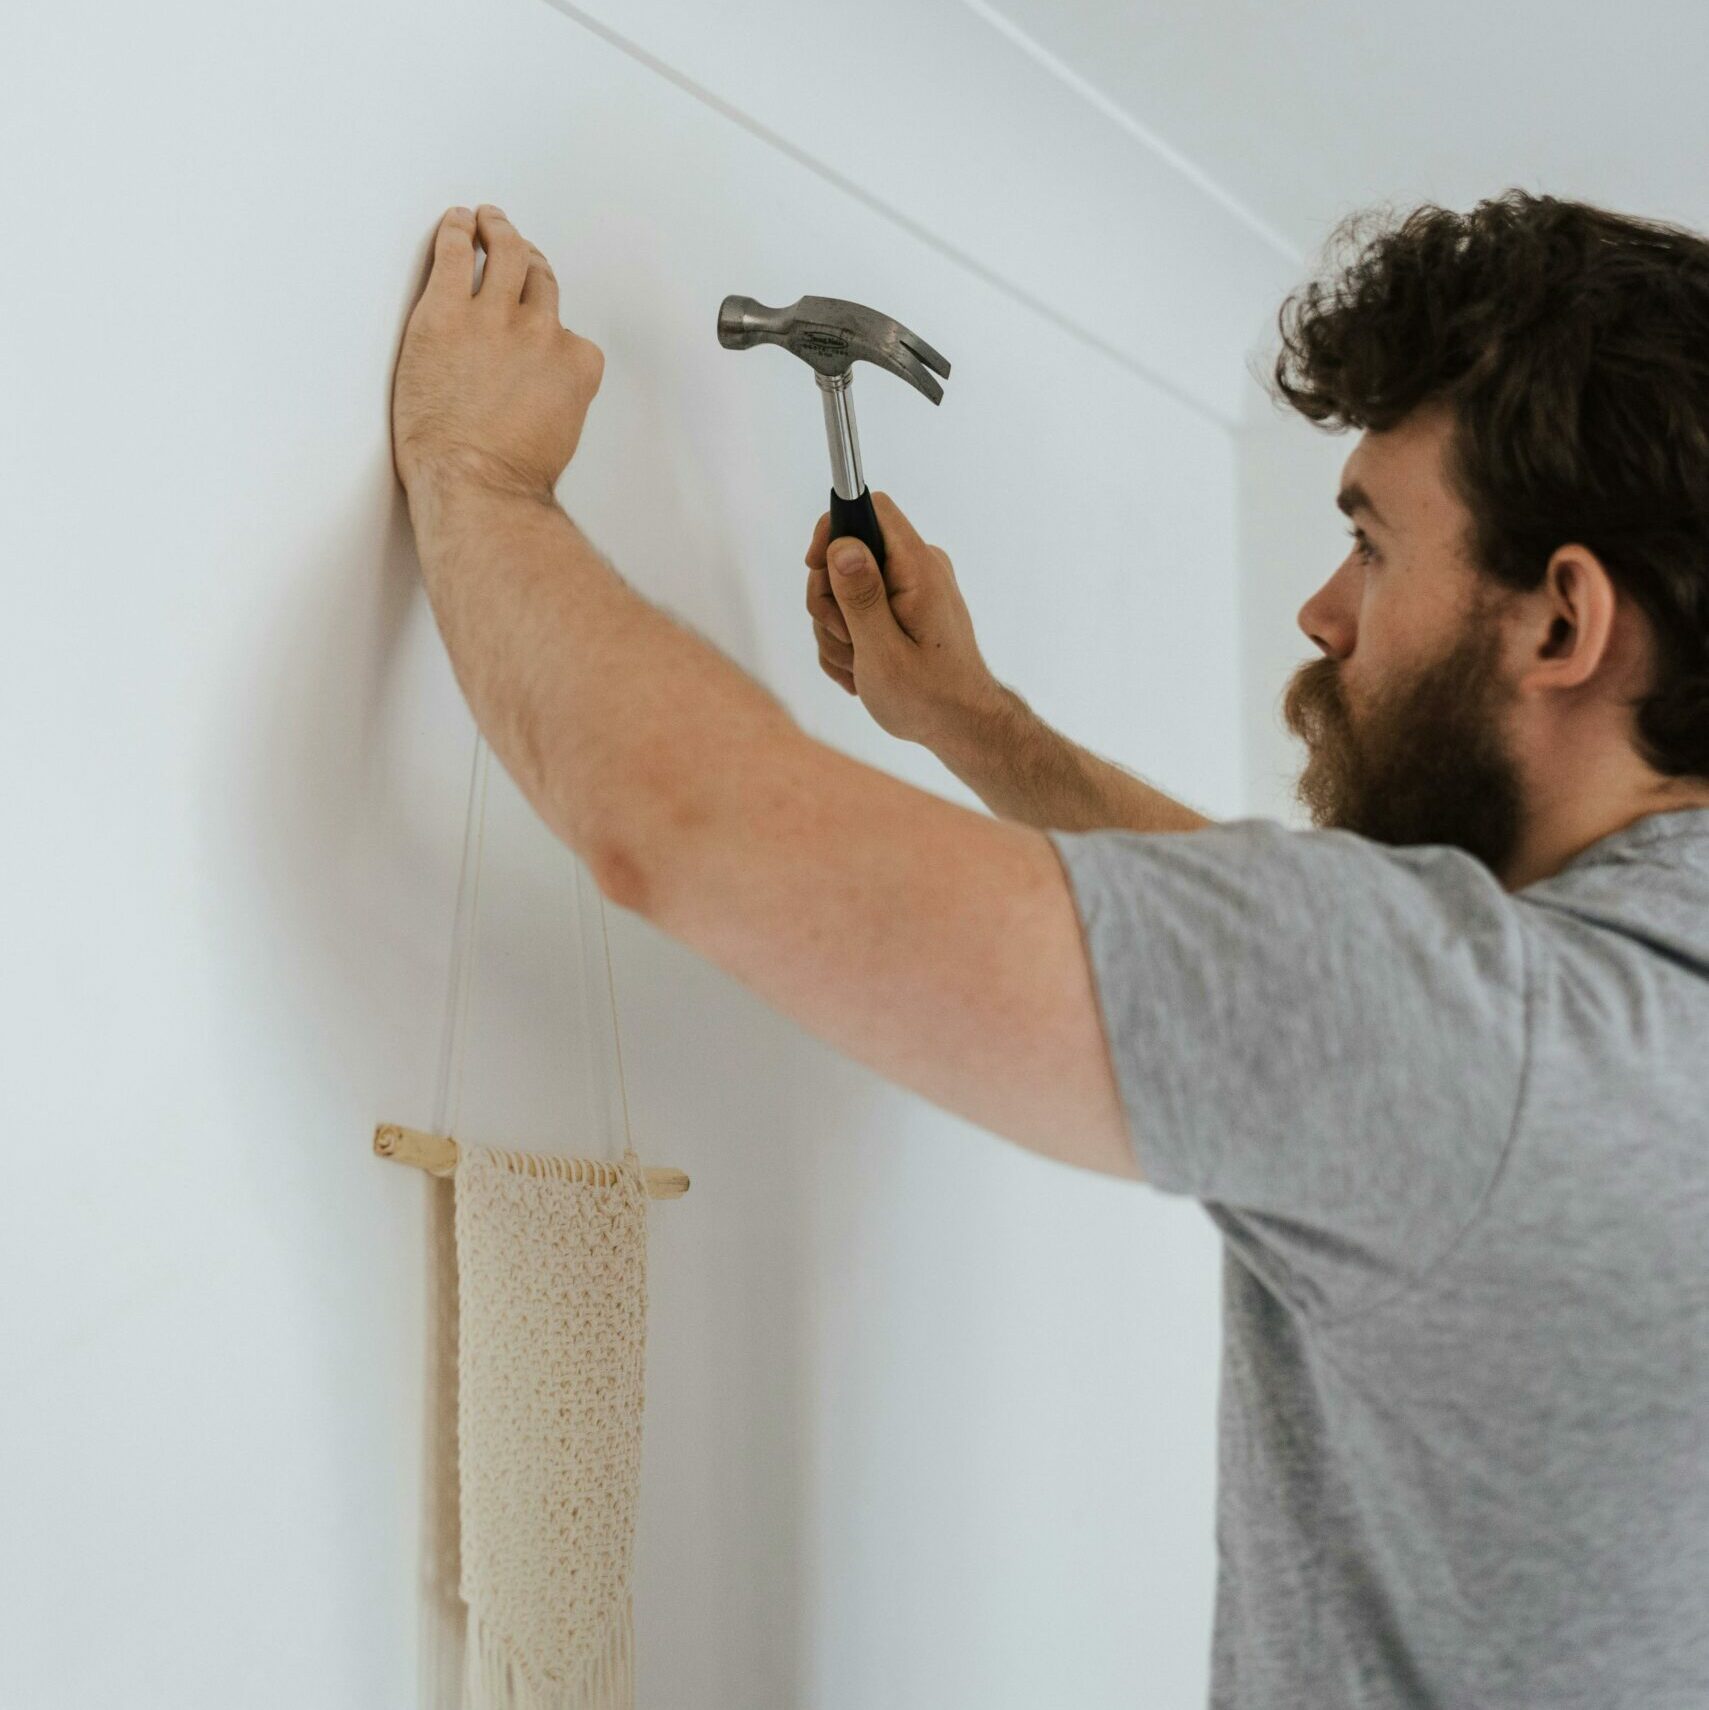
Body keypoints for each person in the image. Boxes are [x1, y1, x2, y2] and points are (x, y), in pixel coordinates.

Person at [391, 191, 1709, 1707]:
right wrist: (974, 721)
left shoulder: (1484, 1041)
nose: (1322, 610)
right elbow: (1282, 967)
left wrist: (479, 475)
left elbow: (684, 826)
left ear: (1560, 625)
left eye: (1370, 544)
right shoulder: (1602, 1014)